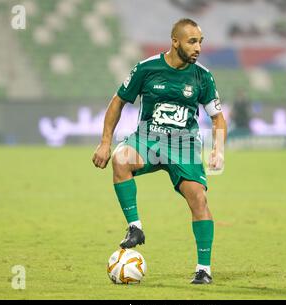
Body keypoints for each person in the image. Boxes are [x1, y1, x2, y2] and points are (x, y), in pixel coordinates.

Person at [92, 18, 227, 284]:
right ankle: (135, 228)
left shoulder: (203, 76)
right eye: (192, 41)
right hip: (148, 140)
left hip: (184, 145)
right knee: (121, 159)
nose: (198, 47)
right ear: (175, 41)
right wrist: (105, 142)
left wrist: (218, 149)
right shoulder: (146, 69)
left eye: (200, 41)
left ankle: (204, 269)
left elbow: (217, 118)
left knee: (198, 200)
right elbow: (118, 102)